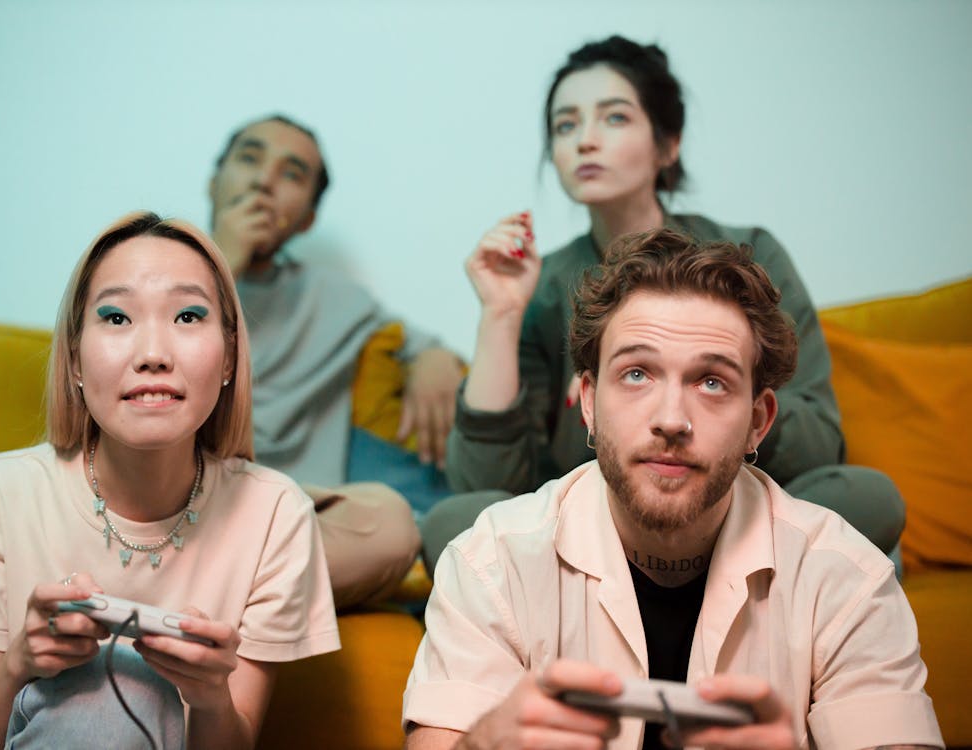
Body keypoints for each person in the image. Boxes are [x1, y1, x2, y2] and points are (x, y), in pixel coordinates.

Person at [0, 113, 464, 609]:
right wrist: (220, 256)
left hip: (238, 523)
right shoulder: (136, 259)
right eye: (248, 158)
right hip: (101, 504)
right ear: (215, 179)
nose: (265, 180)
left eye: (292, 172)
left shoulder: (338, 303)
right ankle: (159, 597)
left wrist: (435, 357)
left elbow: (419, 343)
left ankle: (32, 584)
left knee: (388, 528)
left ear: (306, 214)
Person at [403, 228, 942, 750]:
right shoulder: (489, 563)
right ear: (589, 402)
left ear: (759, 420)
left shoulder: (849, 579)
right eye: (637, 373)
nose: (671, 420)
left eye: (712, 382)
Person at [422, 36, 904, 574]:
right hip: (598, 532)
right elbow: (490, 487)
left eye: (614, 118)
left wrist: (718, 389)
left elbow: (819, 448)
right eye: (565, 125)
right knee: (455, 524)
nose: (585, 140)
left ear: (667, 145)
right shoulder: (541, 284)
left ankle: (683, 596)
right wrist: (501, 314)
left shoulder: (752, 256)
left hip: (731, 517)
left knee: (866, 498)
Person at [0, 212, 341, 749]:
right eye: (116, 318)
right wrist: (17, 662)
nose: (153, 355)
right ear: (74, 361)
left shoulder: (278, 513)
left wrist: (211, 697)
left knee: (129, 694)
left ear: (229, 355)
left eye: (187, 316)